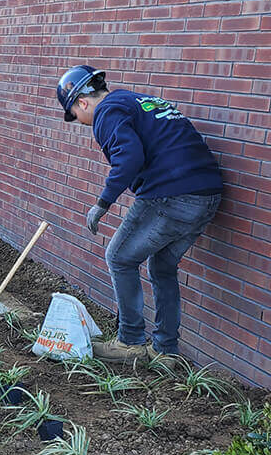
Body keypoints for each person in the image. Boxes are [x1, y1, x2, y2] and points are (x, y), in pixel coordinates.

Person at [56, 65, 223, 364]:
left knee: (119, 257)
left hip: (171, 194)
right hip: (207, 196)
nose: (79, 122)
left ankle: (130, 342)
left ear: (82, 101)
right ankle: (165, 351)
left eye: (75, 116)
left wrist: (103, 203)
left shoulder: (107, 111)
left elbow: (129, 157)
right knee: (161, 267)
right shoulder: (138, 101)